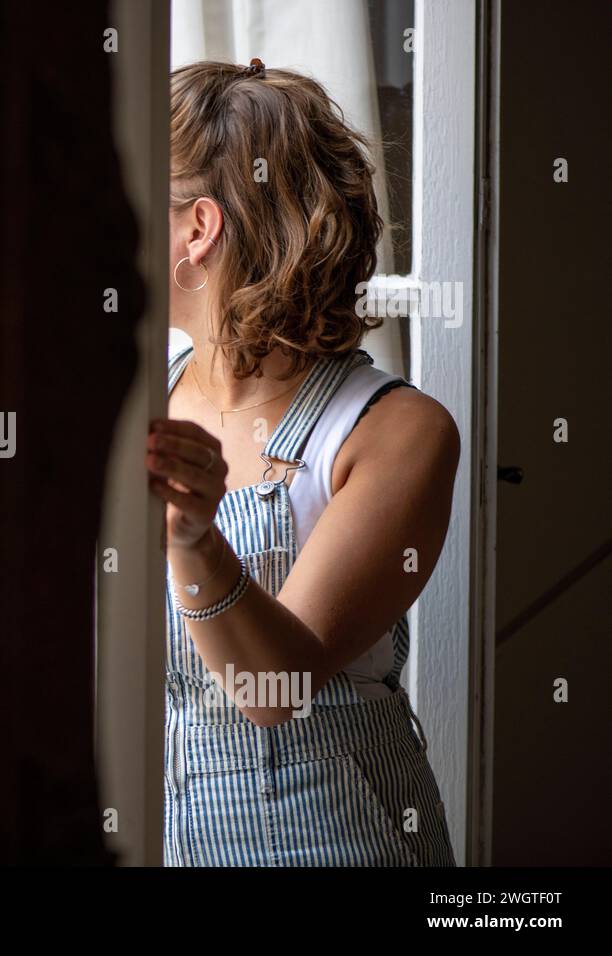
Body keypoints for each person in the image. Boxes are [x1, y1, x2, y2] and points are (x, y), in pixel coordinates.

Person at [147, 59, 458, 866]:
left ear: (198, 228)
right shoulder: (137, 403)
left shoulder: (395, 433)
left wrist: (194, 542)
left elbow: (269, 690)